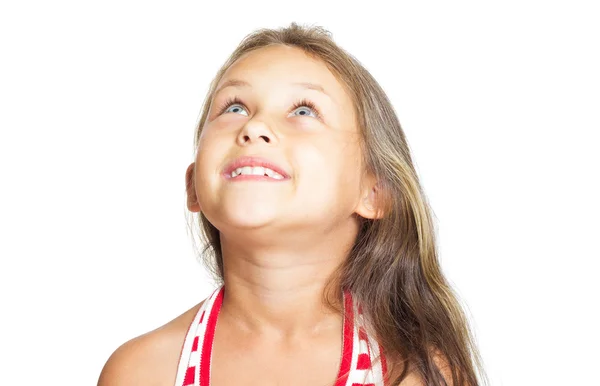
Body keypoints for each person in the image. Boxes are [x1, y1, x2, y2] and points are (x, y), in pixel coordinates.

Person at [97, 22, 488, 386]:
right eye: (234, 107)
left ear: (374, 191)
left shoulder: (414, 373)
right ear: (193, 186)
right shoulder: (140, 371)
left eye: (303, 110)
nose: (254, 127)